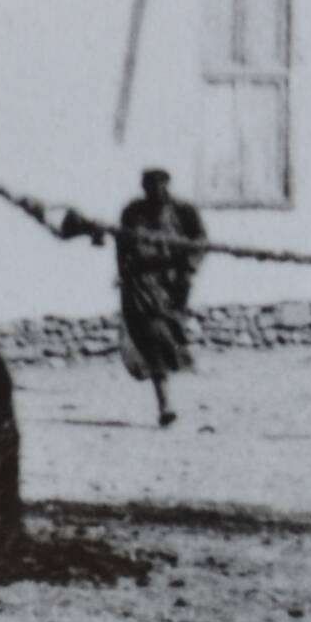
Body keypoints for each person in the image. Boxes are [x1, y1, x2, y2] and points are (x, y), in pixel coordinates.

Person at [114, 168, 206, 428]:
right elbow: (122, 246)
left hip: (173, 285)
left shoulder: (184, 211)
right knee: (154, 338)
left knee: (170, 337)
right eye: (151, 187)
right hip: (143, 285)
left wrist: (189, 268)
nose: (157, 192)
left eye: (161, 186)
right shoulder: (132, 213)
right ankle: (165, 404)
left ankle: (172, 373)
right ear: (144, 189)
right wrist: (123, 276)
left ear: (168, 186)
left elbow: (200, 241)